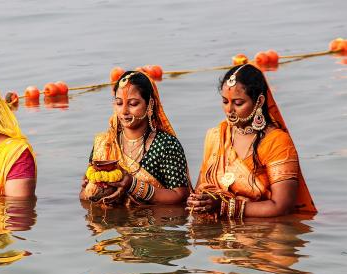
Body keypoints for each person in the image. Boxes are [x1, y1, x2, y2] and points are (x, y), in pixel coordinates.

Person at [187, 64, 316, 218]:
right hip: (218, 232)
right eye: (225, 101)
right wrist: (198, 202)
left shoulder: (277, 141)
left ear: (259, 101)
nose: (229, 109)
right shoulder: (216, 136)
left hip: (263, 234)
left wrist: (225, 207)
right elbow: (201, 189)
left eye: (238, 103)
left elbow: (281, 206)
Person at [80, 71, 191, 205]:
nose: (124, 111)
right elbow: (83, 197)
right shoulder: (105, 144)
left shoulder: (166, 144)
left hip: (153, 223)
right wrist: (91, 189)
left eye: (133, 104)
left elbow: (181, 196)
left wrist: (133, 185)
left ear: (149, 104)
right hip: (114, 224)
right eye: (119, 103)